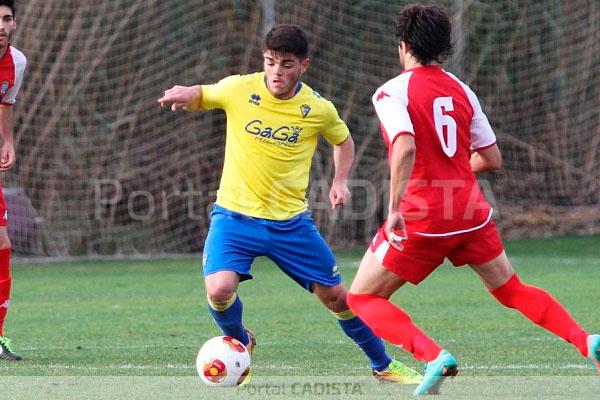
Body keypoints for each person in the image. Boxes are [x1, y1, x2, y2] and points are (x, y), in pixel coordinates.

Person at [346, 3, 600, 396]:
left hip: (425, 214)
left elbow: (404, 146)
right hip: (469, 210)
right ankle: (586, 341)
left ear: (403, 46)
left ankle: (433, 356)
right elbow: (491, 158)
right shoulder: (462, 90)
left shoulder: (390, 92)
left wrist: (394, 207)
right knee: (511, 289)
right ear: (443, 46)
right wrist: (452, 169)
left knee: (362, 297)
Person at [158, 24, 422, 383]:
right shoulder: (240, 89)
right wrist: (186, 93)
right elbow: (204, 94)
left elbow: (342, 140)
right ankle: (241, 342)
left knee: (338, 298)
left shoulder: (316, 108)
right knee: (219, 289)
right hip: (235, 217)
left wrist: (340, 180)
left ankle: (383, 365)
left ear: (304, 65)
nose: (276, 72)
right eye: (270, 62)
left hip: (291, 224)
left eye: (286, 64)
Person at [0, 0, 25, 362]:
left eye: (5, 18)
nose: (0, 26)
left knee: (2, 244)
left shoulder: (16, 62)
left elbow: (5, 103)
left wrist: (7, 140)